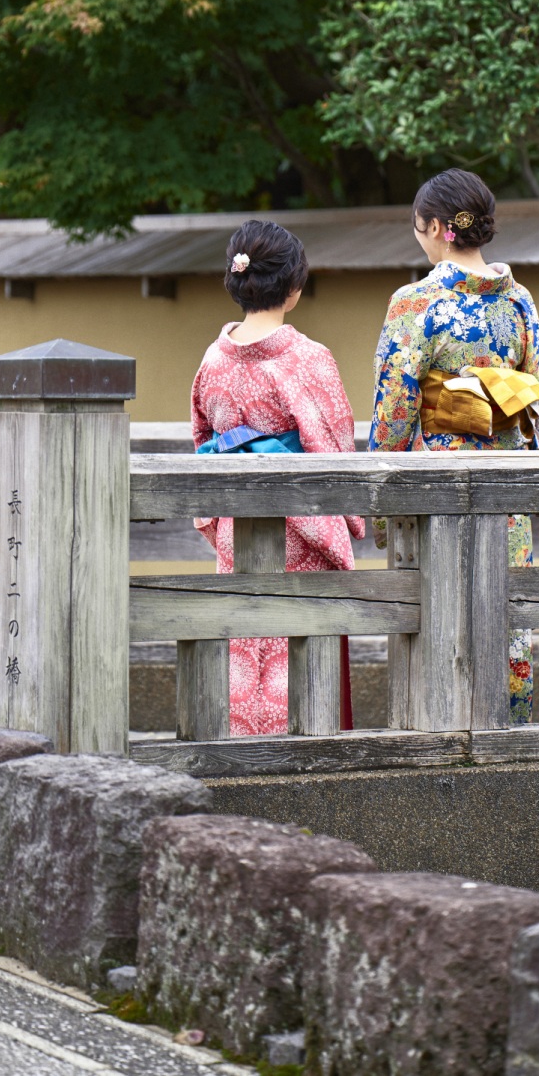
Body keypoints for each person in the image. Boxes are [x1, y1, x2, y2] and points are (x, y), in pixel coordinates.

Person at [369, 168, 539, 723]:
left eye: (418, 226)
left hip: (440, 480)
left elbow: (395, 406)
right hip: (508, 484)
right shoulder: (520, 301)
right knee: (503, 610)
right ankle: (508, 729)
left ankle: (438, 731)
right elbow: (538, 399)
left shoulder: (415, 302)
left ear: (435, 227)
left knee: (441, 611)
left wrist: (382, 502)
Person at [191, 218, 365, 737]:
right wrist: (352, 519)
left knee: (245, 643)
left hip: (237, 531)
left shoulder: (211, 362)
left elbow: (203, 443)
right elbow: (337, 451)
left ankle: (241, 753)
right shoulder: (310, 361)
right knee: (302, 643)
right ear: (293, 288)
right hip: (302, 534)